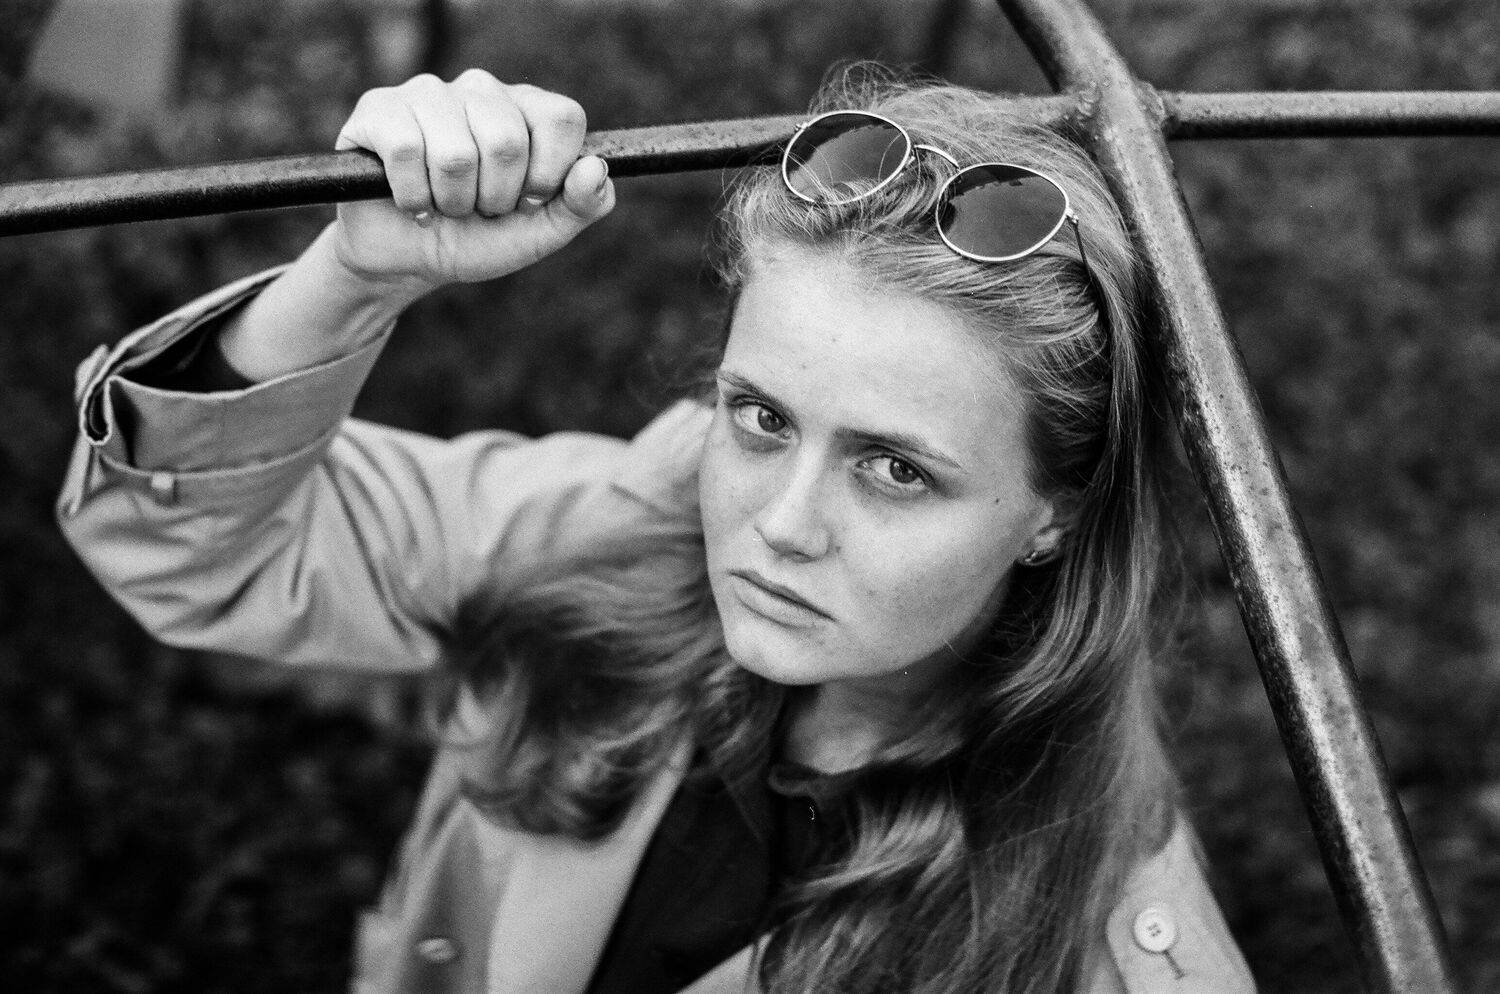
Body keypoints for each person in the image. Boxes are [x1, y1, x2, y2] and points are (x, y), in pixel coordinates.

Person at [57, 65, 1255, 994]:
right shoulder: (627, 528)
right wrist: (355, 274)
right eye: (762, 418)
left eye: (895, 469)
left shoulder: (1100, 943)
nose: (779, 526)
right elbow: (184, 543)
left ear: (1056, 512)